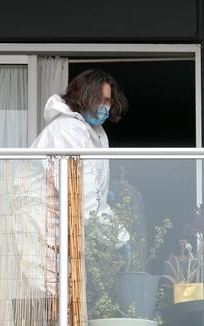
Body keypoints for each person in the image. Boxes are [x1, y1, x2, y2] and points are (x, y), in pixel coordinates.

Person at [32, 69, 130, 243]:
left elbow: (92, 193)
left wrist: (103, 198)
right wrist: (119, 238)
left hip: (63, 228)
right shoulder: (67, 130)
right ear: (85, 98)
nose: (106, 107)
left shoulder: (93, 132)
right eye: (101, 100)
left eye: (108, 101)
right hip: (41, 227)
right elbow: (84, 195)